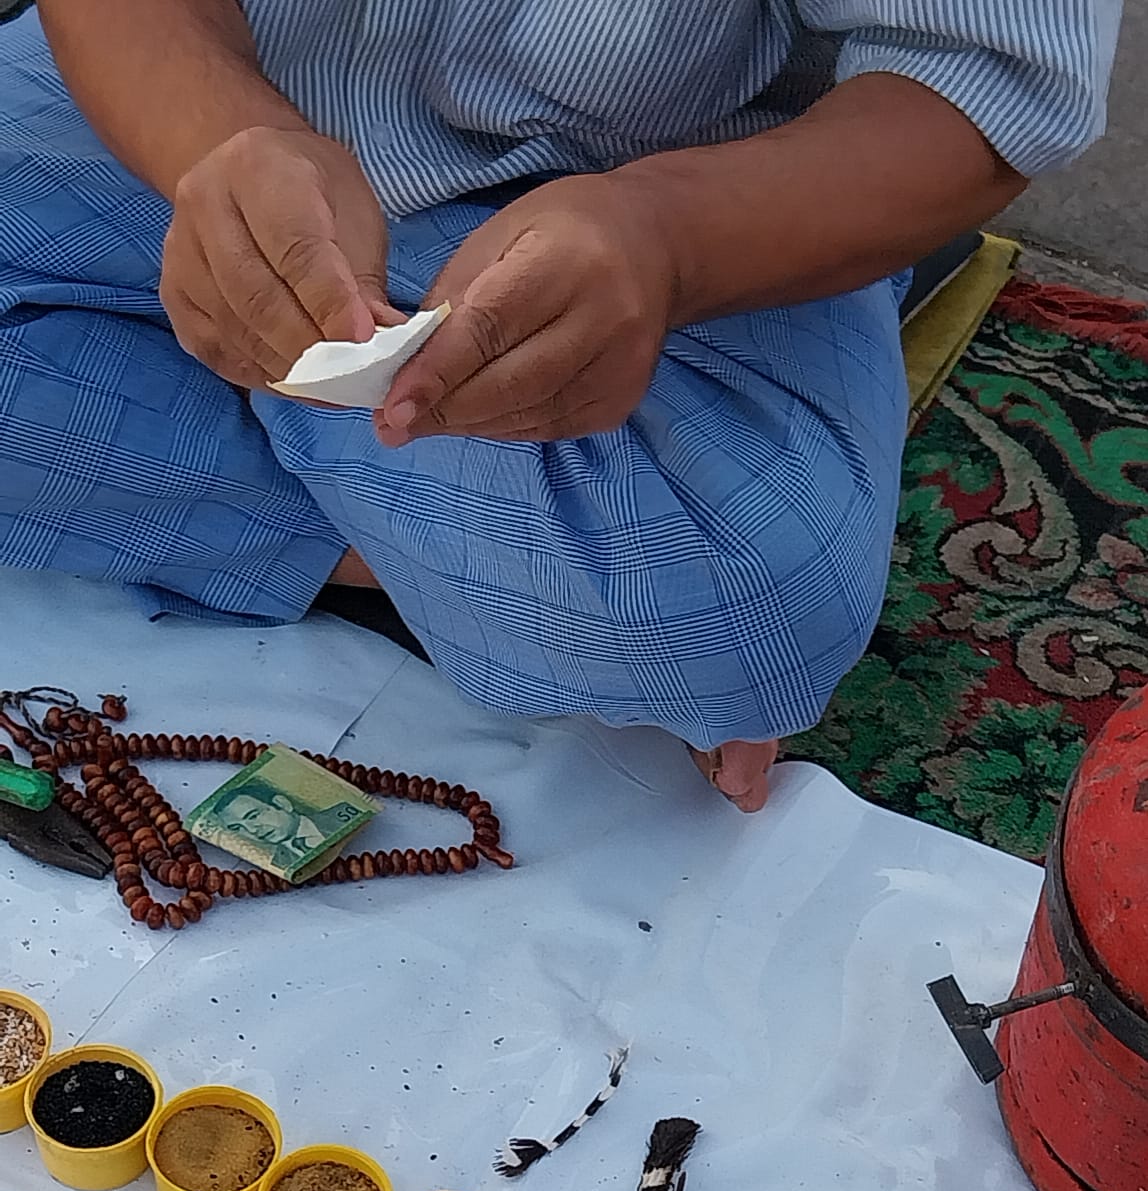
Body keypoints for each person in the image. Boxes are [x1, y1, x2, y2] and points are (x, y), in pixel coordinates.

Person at [0, 5, 1118, 812]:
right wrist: (213, 149)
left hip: (693, 196)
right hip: (215, 108)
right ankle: (440, 538)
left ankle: (181, 433)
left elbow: (970, 85)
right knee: (664, 589)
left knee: (753, 600)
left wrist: (665, 243)